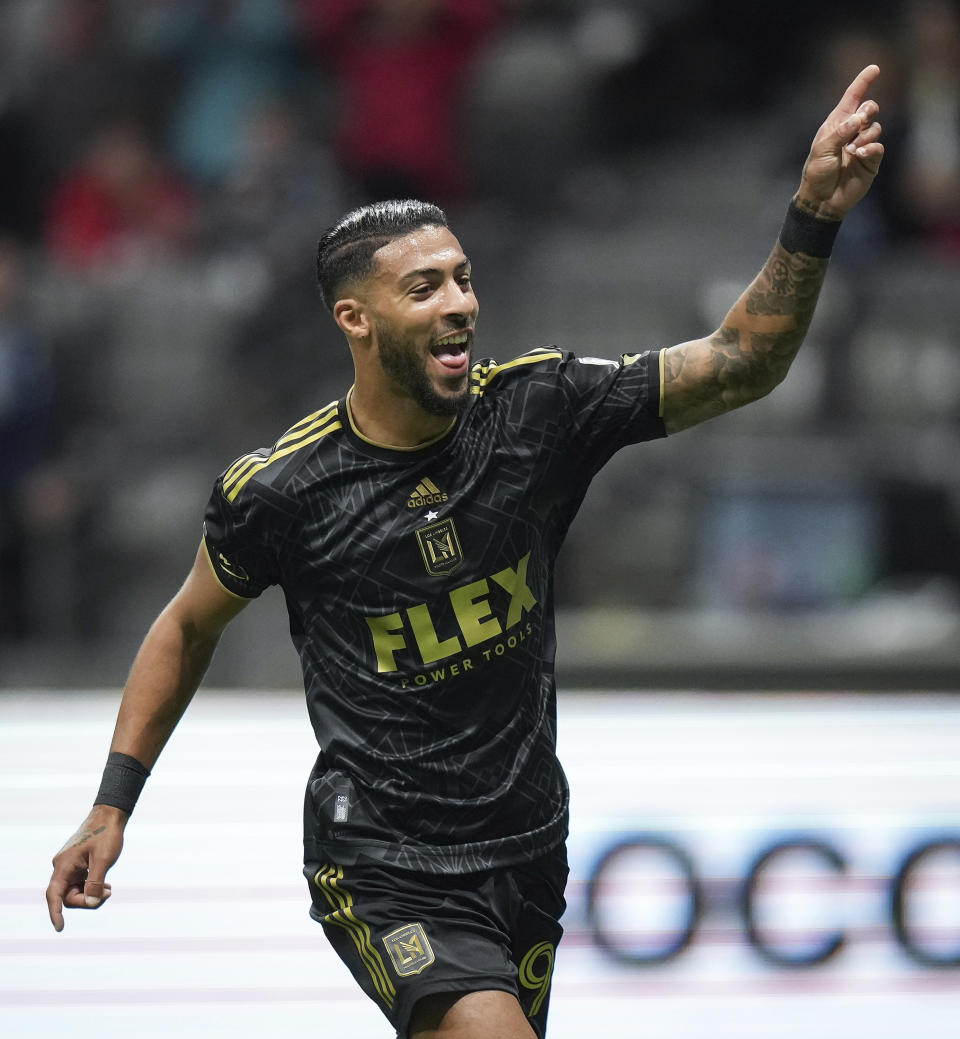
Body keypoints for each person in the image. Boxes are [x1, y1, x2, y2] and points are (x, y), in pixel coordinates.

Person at [46, 66, 885, 1039]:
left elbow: (743, 361)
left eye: (464, 277)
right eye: (423, 287)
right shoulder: (282, 491)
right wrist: (113, 803)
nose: (459, 304)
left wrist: (812, 214)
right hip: (384, 859)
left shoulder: (539, 411)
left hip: (529, 843)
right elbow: (187, 623)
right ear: (354, 319)